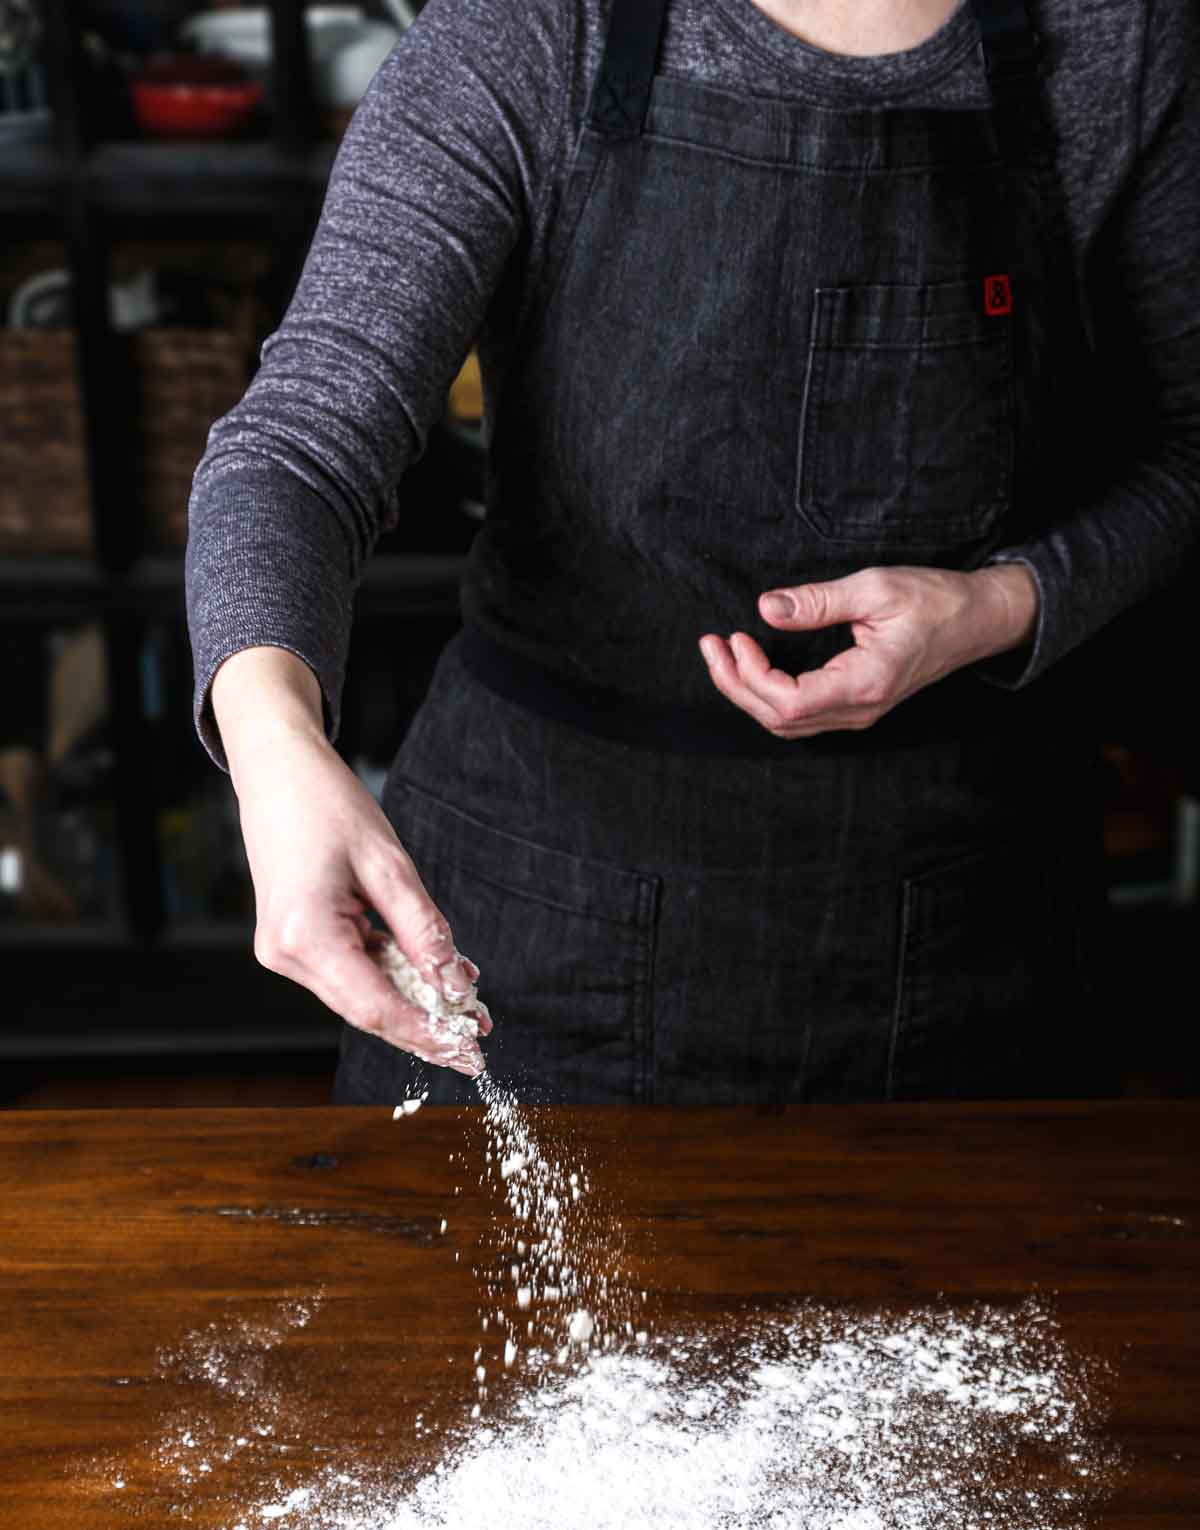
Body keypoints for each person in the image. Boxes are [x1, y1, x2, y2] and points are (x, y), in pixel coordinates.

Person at [186, 0, 1200, 1105]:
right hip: (533, 933)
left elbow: (1188, 448)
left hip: (982, 929)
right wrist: (274, 741)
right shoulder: (531, 29)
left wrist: (1008, 603)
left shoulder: (1115, 33)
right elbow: (298, 447)